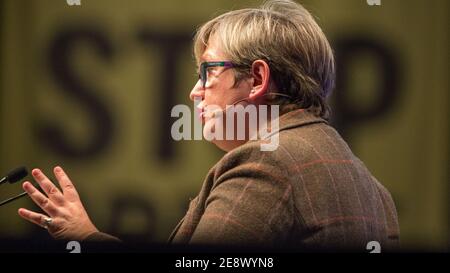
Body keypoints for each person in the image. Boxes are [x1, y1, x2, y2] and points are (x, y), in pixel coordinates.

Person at [18, 0, 399, 250]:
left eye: (207, 72)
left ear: (258, 78)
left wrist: (86, 238)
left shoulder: (268, 165)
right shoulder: (372, 187)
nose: (194, 91)